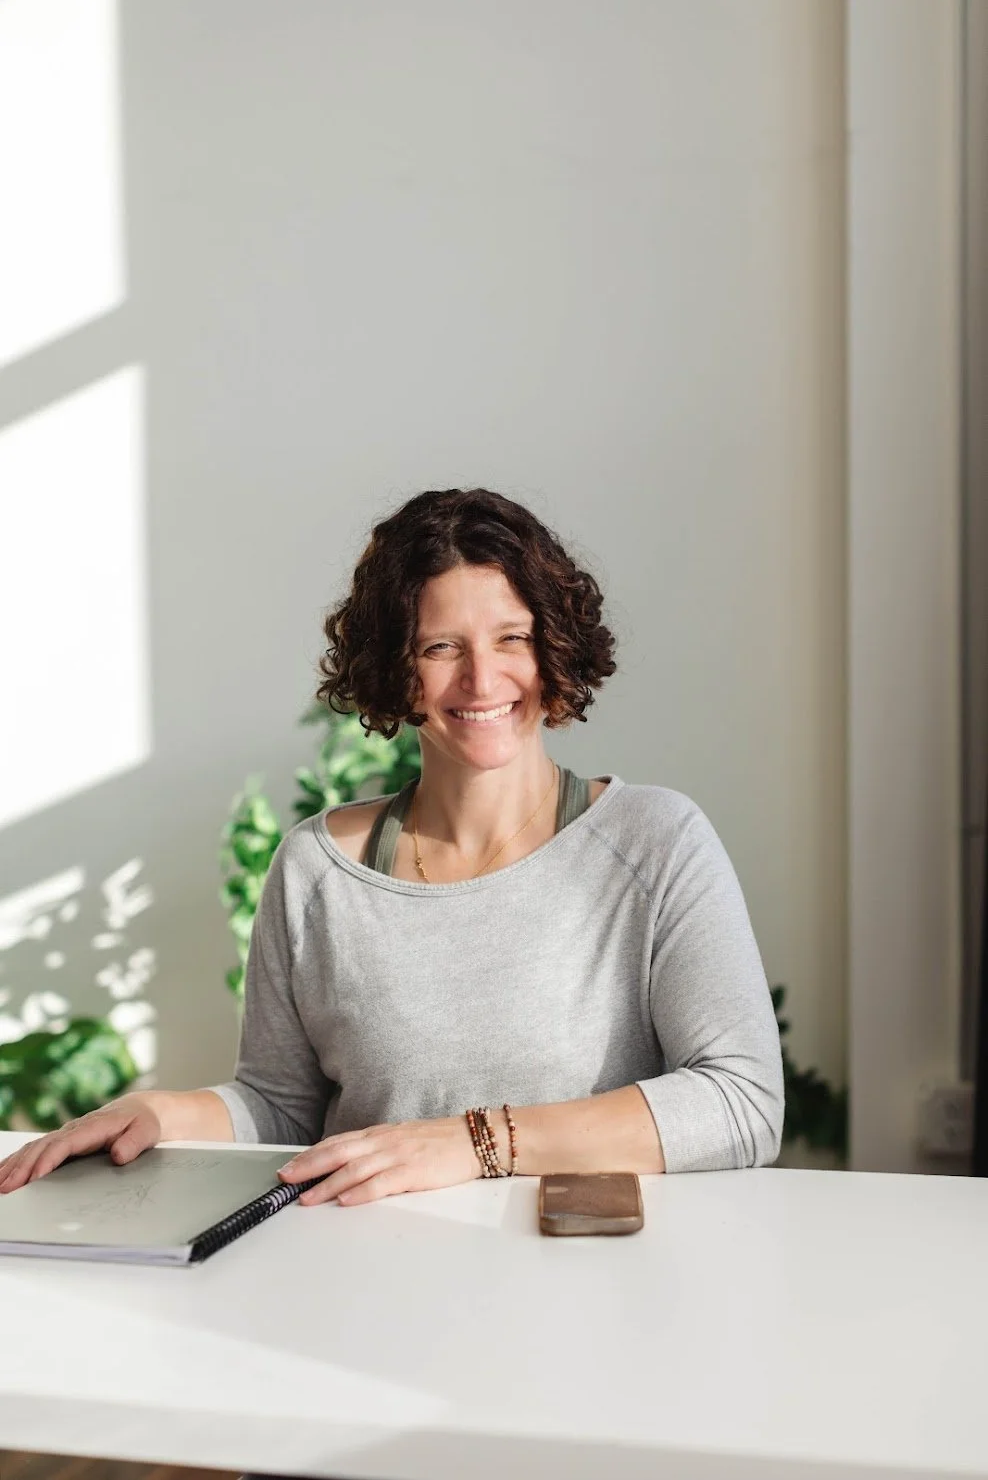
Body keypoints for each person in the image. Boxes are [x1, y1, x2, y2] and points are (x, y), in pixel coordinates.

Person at [0, 488, 784, 1204]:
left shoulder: (654, 842)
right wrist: (156, 1110)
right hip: (361, 1290)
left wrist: (474, 1144)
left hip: (584, 1292)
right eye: (442, 648)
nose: (483, 680)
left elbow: (741, 1102)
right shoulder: (315, 870)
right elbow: (283, 1107)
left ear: (554, 651)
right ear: (396, 670)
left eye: (512, 638)